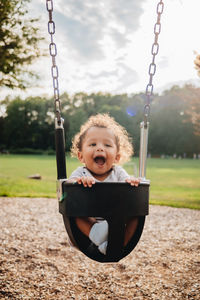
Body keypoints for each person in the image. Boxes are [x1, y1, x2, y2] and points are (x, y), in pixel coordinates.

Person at [67, 113, 140, 255]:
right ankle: (97, 234)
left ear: (117, 157)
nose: (100, 148)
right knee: (75, 213)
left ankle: (118, 245)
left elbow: (127, 182)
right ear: (81, 155)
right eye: (93, 144)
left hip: (116, 223)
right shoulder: (81, 173)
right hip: (88, 228)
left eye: (107, 145)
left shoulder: (118, 172)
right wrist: (78, 183)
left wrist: (131, 181)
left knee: (136, 214)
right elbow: (69, 187)